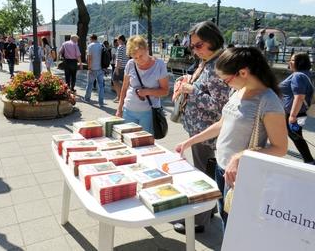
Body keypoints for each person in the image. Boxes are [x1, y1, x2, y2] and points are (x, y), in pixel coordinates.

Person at [175, 46, 288, 229]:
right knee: (226, 218)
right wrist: (190, 141)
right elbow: (222, 124)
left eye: (226, 80)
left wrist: (239, 156)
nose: (226, 84)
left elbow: (280, 148)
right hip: (222, 169)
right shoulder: (238, 91)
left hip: (240, 174)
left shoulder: (268, 101)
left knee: (234, 226)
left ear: (243, 72)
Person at [172, 21, 230, 234]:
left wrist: (191, 89)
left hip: (206, 133)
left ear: (212, 41)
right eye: (192, 46)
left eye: (199, 45)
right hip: (200, 130)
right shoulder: (209, 60)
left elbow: (219, 106)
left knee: (201, 174)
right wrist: (189, 83)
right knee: (206, 171)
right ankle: (209, 209)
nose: (194, 50)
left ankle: (197, 221)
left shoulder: (218, 66)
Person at [115, 35, 169, 134]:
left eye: (141, 56)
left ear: (147, 49)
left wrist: (148, 91)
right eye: (135, 58)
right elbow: (125, 87)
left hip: (148, 113)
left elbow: (165, 91)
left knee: (144, 144)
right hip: (128, 110)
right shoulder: (130, 64)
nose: (139, 60)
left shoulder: (159, 65)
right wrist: (119, 108)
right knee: (127, 140)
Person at [280, 52, 315, 164]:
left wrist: (293, 115)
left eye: (293, 60)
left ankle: (309, 160)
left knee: (296, 136)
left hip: (294, 113)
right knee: (295, 135)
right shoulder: (305, 74)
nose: (289, 62)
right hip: (298, 111)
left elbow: (299, 97)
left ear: (300, 62)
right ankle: (309, 159)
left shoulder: (298, 76)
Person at [83, 34, 105, 107]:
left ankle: (87, 99)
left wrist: (89, 68)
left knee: (90, 84)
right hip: (101, 68)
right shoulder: (102, 45)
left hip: (92, 68)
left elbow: (89, 58)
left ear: (91, 39)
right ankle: (101, 102)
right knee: (101, 85)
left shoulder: (90, 46)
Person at [113, 35, 128, 102]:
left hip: (120, 67)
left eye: (118, 40)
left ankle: (119, 96)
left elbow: (119, 59)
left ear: (120, 40)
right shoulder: (126, 47)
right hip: (126, 67)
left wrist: (116, 68)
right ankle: (123, 97)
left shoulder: (120, 47)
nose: (117, 42)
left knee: (115, 80)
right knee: (124, 83)